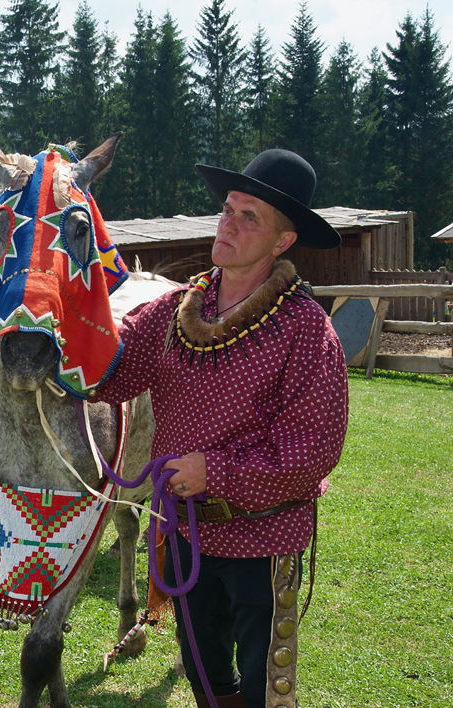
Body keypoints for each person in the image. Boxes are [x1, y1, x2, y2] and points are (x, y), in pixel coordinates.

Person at [93, 149, 349, 708]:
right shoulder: (173, 311)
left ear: (283, 241)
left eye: (249, 217)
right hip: (186, 534)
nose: (228, 224)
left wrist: (215, 472)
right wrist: (57, 321)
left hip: (265, 537)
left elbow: (311, 451)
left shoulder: (306, 329)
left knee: (263, 688)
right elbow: (111, 368)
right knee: (205, 674)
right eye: (228, 210)